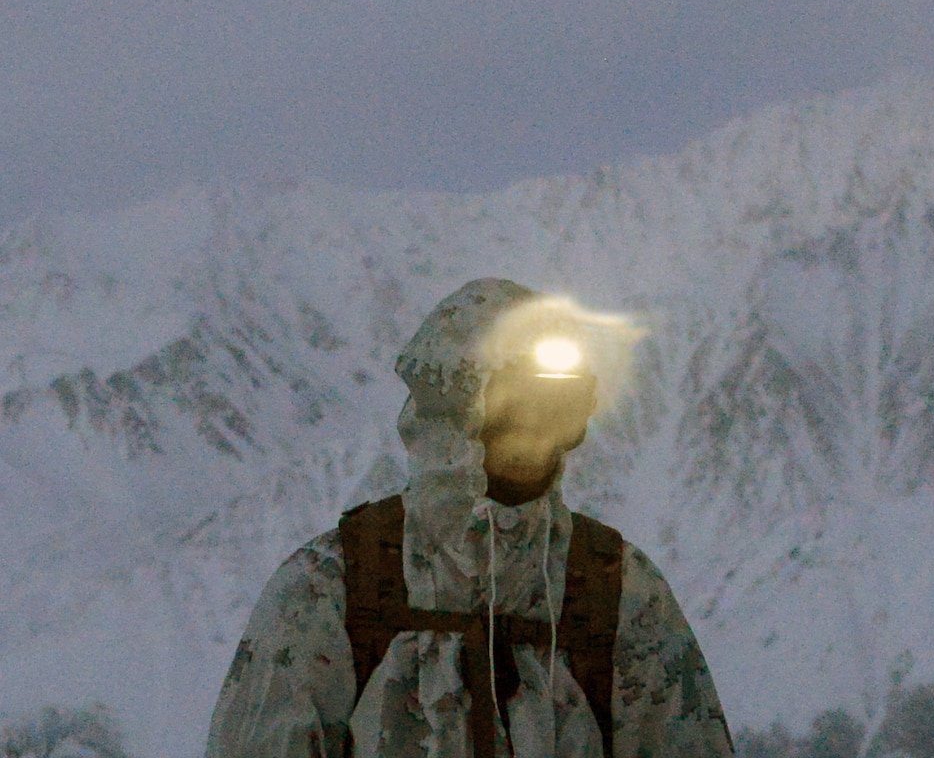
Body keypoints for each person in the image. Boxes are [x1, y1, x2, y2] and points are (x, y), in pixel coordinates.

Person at [206, 278, 734, 757]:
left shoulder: (615, 587)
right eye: (514, 403)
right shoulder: (333, 586)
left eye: (558, 404)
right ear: (455, 411)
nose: (535, 426)